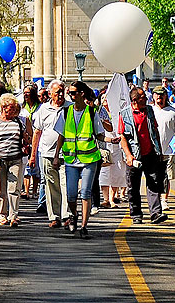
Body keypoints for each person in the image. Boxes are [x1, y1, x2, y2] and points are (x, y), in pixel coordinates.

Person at [51, 81, 105, 239]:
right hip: (70, 159)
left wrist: (111, 139)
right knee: (71, 195)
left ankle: (84, 226)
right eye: (70, 93)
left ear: (81, 93)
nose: (70, 96)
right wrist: (56, 156)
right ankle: (74, 215)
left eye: (73, 93)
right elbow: (61, 136)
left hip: (89, 158)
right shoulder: (66, 112)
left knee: (86, 192)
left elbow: (99, 134)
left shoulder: (91, 112)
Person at [120, 87, 168, 224]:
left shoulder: (149, 110)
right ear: (134, 100)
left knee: (154, 183)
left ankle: (156, 213)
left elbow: (155, 130)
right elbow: (123, 137)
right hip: (134, 156)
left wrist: (159, 150)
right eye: (143, 97)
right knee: (133, 187)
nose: (146, 99)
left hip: (150, 153)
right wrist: (129, 156)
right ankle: (136, 215)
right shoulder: (124, 114)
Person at [0, 93, 31, 227]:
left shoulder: (18, 121)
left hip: (15, 158)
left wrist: (27, 140)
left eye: (14, 109)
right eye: (10, 108)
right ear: (3, 107)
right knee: (1, 189)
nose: (13, 111)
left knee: (14, 188)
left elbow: (25, 137)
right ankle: (2, 215)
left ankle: (13, 215)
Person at [30, 80, 67, 227]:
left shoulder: (69, 108)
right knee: (51, 187)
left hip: (66, 154)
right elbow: (37, 132)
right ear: (50, 93)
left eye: (61, 91)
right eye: (57, 91)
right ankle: (54, 217)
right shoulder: (43, 109)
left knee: (66, 186)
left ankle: (67, 216)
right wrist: (33, 156)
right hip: (46, 153)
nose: (59, 94)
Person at [151, 86, 175, 211]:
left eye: (161, 95)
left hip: (168, 149)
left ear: (165, 96)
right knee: (154, 176)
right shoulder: (149, 110)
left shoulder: (173, 112)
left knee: (166, 175)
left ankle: (164, 200)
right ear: (153, 96)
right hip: (152, 150)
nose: (159, 97)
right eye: (156, 95)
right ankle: (155, 200)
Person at [20, 85, 42, 199]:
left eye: (28, 92)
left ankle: (35, 191)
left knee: (36, 166)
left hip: (38, 140)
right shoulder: (22, 109)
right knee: (26, 167)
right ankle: (27, 191)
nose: (25, 95)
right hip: (26, 140)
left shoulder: (41, 108)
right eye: (24, 93)